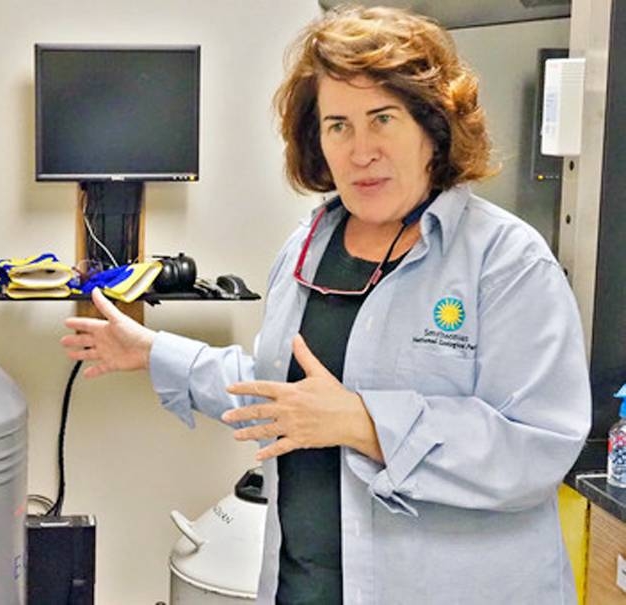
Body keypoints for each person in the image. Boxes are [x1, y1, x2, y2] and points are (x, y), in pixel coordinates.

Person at [61, 5, 591, 604]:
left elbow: (537, 447)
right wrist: (153, 352)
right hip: (305, 588)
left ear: (433, 127)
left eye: (382, 118)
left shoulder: (505, 261)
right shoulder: (306, 249)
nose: (360, 150)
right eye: (338, 124)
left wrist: (365, 423)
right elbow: (284, 390)